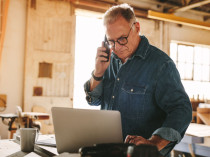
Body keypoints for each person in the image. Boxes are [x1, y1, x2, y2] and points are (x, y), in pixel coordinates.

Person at [84, 3, 192, 157]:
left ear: (137, 27)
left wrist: (153, 143)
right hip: (109, 152)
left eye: (122, 39)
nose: (116, 48)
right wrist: (98, 73)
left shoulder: (161, 65)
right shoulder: (109, 60)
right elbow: (93, 101)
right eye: (111, 41)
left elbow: (182, 110)